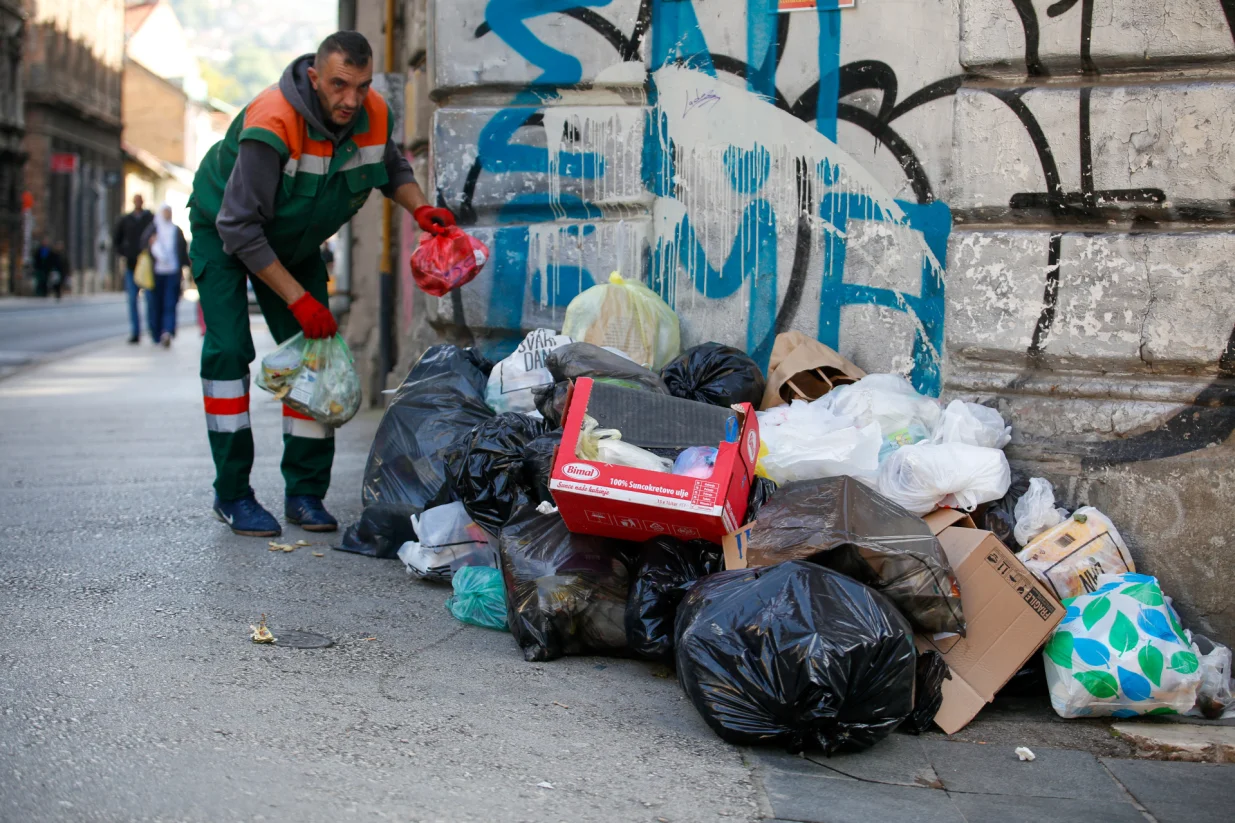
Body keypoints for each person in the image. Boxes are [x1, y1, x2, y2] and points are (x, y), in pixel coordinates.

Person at [188, 31, 455, 538]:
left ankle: (305, 494)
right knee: (227, 352)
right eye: (339, 85)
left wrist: (420, 208)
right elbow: (239, 227)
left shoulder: (373, 114)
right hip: (224, 233)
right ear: (315, 78)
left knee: (318, 356)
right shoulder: (272, 123)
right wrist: (300, 299)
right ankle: (233, 493)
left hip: (293, 241)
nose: (351, 100)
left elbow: (390, 165)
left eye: (361, 86)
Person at [140, 204, 189, 347]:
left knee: (170, 302)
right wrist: (150, 243)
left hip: (172, 272)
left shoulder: (176, 230)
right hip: (156, 273)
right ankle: (156, 333)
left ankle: (168, 331)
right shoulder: (153, 229)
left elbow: (182, 251)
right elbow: (142, 245)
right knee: (155, 303)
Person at [113, 194, 154, 343]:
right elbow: (116, 240)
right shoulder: (126, 219)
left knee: (150, 299)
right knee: (132, 299)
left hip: (147, 264)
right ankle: (135, 332)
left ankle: (152, 329)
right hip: (131, 265)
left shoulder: (150, 218)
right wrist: (125, 252)